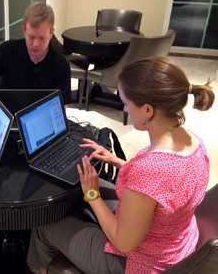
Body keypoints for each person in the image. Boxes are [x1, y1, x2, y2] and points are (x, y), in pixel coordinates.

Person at [27, 57, 215, 273]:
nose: (124, 108)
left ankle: (37, 268)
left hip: (141, 264)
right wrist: (120, 162)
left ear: (147, 110)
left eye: (126, 103)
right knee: (87, 195)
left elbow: (124, 242)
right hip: (176, 244)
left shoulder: (149, 171)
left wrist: (92, 195)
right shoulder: (193, 142)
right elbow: (164, 189)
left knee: (46, 222)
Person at [0, 1, 71, 112]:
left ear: (51, 33)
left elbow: (62, 107)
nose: (35, 44)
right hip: (8, 117)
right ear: (24, 30)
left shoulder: (61, 64)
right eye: (31, 37)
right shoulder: (7, 50)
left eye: (41, 38)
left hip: (41, 121)